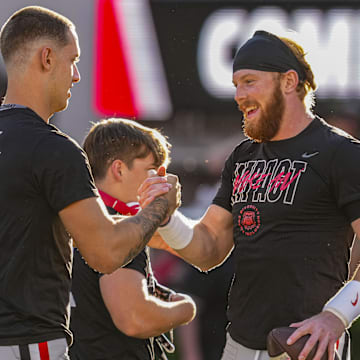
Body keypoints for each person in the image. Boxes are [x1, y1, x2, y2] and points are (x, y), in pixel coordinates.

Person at [139, 30, 360, 360]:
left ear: (288, 81)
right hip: (239, 345)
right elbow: (209, 249)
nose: (239, 95)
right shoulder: (243, 157)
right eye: (236, 85)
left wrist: (337, 316)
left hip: (308, 345)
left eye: (249, 81)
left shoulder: (340, 153)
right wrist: (168, 219)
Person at [0, 6, 178, 359]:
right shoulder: (52, 148)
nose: (77, 75)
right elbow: (105, 252)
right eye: (73, 60)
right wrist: (158, 208)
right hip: (26, 344)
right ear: (47, 58)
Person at [69, 118, 196, 359]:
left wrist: (155, 291)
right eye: (152, 170)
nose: (161, 181)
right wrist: (185, 309)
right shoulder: (122, 228)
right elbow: (134, 318)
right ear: (118, 169)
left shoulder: (70, 219)